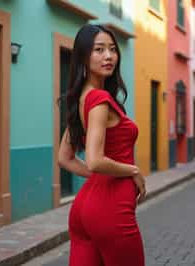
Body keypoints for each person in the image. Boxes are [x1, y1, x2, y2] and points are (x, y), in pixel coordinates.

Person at [58, 24, 146, 266]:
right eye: (99, 50)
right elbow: (96, 161)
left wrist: (98, 178)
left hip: (83, 210)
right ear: (84, 56)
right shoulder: (99, 99)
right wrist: (133, 171)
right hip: (111, 211)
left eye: (112, 49)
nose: (108, 56)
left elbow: (64, 158)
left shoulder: (82, 98)